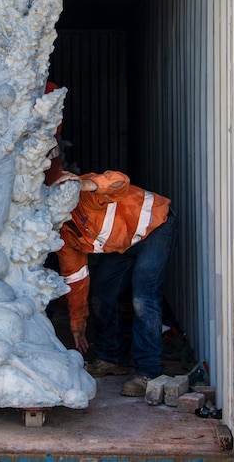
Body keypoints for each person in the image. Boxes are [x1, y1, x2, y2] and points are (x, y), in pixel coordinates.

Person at [54, 169, 177, 397]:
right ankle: (111, 358)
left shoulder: (87, 194)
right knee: (102, 291)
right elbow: (77, 280)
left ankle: (148, 372)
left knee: (143, 298)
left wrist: (85, 184)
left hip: (154, 227)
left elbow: (120, 181)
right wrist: (77, 324)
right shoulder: (63, 235)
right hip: (123, 244)